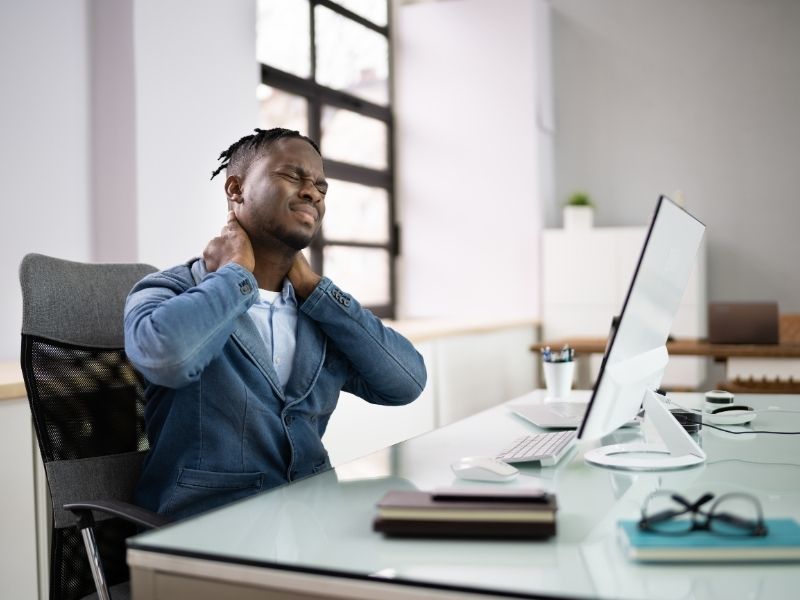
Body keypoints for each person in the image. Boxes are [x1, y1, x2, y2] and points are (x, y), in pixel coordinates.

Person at [124, 127, 427, 519]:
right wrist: (235, 275)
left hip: (313, 531)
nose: (313, 193)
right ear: (236, 189)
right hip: (208, 536)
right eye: (292, 176)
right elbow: (168, 357)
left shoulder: (318, 312)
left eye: (321, 187)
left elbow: (406, 383)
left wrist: (315, 288)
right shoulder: (171, 289)